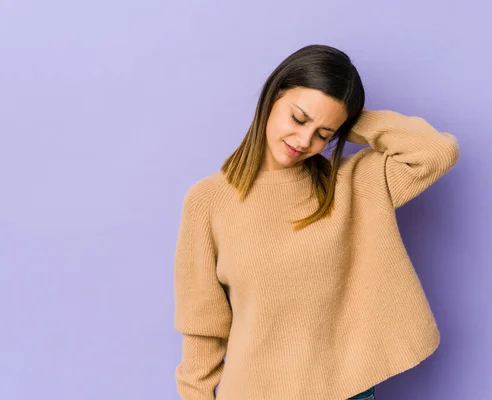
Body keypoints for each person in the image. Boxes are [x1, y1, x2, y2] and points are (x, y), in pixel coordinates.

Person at [173, 44, 460, 400]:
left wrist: (349, 115)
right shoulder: (208, 201)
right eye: (299, 118)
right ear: (273, 96)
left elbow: (435, 152)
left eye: (325, 134)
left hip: (347, 393)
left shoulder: (353, 185)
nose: (304, 141)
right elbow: (203, 327)